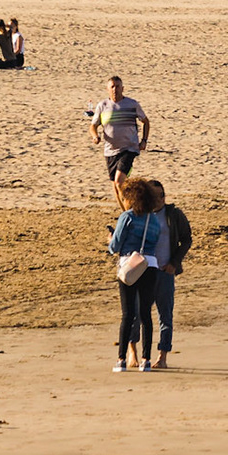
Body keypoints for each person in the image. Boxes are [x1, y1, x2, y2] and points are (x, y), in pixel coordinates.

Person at [108, 177, 167, 373]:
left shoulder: (128, 217)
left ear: (131, 198)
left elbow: (115, 246)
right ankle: (146, 360)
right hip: (149, 265)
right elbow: (154, 242)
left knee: (128, 314)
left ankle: (121, 360)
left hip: (130, 265)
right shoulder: (154, 220)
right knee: (145, 315)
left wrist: (109, 240)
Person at [151, 179, 193, 370]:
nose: (159, 199)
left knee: (165, 316)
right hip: (143, 273)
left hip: (165, 273)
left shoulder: (174, 215)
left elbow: (186, 240)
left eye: (162, 195)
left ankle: (162, 356)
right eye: (154, 196)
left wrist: (174, 264)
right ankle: (135, 354)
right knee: (136, 316)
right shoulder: (139, 215)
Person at [92, 76, 151, 182]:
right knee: (115, 183)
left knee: (119, 180)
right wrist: (95, 136)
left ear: (122, 88)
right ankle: (122, 199)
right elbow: (93, 126)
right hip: (110, 150)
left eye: (118, 86)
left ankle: (127, 199)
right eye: (112, 87)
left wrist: (144, 141)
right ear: (108, 89)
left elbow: (145, 122)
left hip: (129, 148)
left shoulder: (132, 104)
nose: (115, 89)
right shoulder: (102, 106)